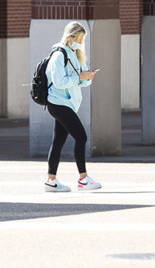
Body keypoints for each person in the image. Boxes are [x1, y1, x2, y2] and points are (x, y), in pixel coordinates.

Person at [44, 21, 102, 192]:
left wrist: (88, 77)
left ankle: (51, 180)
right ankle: (83, 179)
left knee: (58, 141)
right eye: (79, 38)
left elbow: (81, 82)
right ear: (70, 37)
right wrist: (79, 77)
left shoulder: (77, 54)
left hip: (68, 103)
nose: (80, 42)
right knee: (81, 137)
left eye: (82, 39)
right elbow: (59, 82)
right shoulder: (58, 55)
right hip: (58, 103)